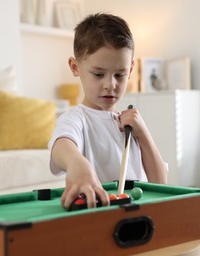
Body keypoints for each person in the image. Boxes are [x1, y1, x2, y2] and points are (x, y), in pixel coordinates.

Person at [48, 13, 167, 209]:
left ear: (130, 70)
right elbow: (61, 146)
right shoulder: (76, 119)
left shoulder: (130, 123)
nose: (110, 85)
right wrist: (78, 163)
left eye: (119, 74)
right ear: (75, 67)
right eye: (98, 74)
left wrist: (143, 134)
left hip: (142, 216)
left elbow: (161, 183)